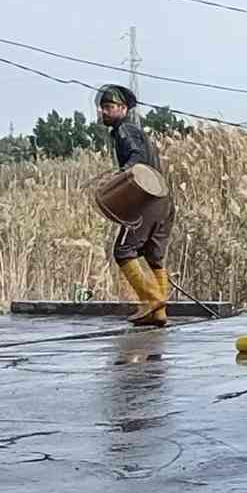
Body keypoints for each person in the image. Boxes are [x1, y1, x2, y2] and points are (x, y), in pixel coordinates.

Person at [95, 85, 173, 328]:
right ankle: (159, 314)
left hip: (145, 200)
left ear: (123, 109)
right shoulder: (135, 130)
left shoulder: (124, 130)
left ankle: (153, 299)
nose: (104, 111)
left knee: (123, 250)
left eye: (109, 107)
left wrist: (121, 174)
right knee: (153, 255)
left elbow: (136, 157)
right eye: (103, 107)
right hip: (163, 199)